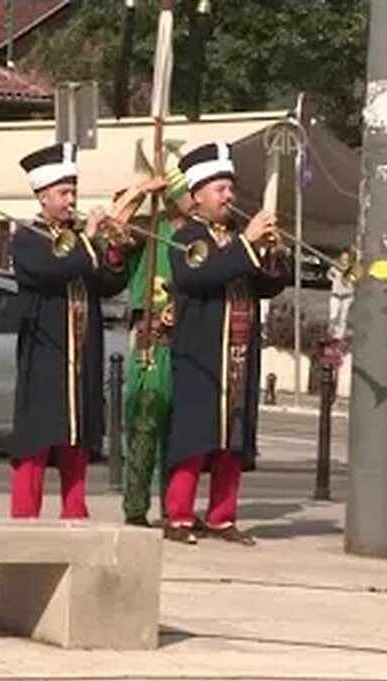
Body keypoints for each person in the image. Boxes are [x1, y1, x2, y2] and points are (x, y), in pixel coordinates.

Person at [163, 141, 287, 545]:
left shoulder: (236, 238)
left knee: (232, 438)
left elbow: (266, 288)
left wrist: (272, 256)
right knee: (196, 437)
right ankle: (178, 515)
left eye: (231, 189)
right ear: (197, 196)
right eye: (220, 189)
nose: (230, 197)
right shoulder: (189, 236)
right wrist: (248, 245)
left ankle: (221, 516)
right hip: (201, 353)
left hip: (239, 350)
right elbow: (199, 276)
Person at [9, 142, 127, 520]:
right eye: (62, 193)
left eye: (72, 191)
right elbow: (51, 270)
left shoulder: (80, 239)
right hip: (45, 348)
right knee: (39, 433)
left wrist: (112, 249)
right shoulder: (28, 237)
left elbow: (108, 283)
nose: (70, 199)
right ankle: (25, 511)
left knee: (78, 433)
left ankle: (75, 508)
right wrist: (90, 242)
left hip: (83, 346)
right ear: (43, 197)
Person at [122, 166, 193, 527]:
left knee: (180, 434)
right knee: (144, 426)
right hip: (152, 344)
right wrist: (138, 193)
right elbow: (113, 234)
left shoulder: (202, 236)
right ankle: (135, 508)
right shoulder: (152, 230)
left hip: (189, 345)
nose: (194, 198)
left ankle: (175, 508)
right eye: (187, 191)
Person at [327, 248, 356, 340]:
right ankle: (332, 336)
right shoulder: (335, 268)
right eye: (343, 258)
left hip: (347, 297)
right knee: (333, 317)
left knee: (343, 318)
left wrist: (348, 275)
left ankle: (339, 338)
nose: (344, 260)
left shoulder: (353, 269)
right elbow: (329, 276)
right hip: (336, 295)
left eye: (346, 258)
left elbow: (354, 280)